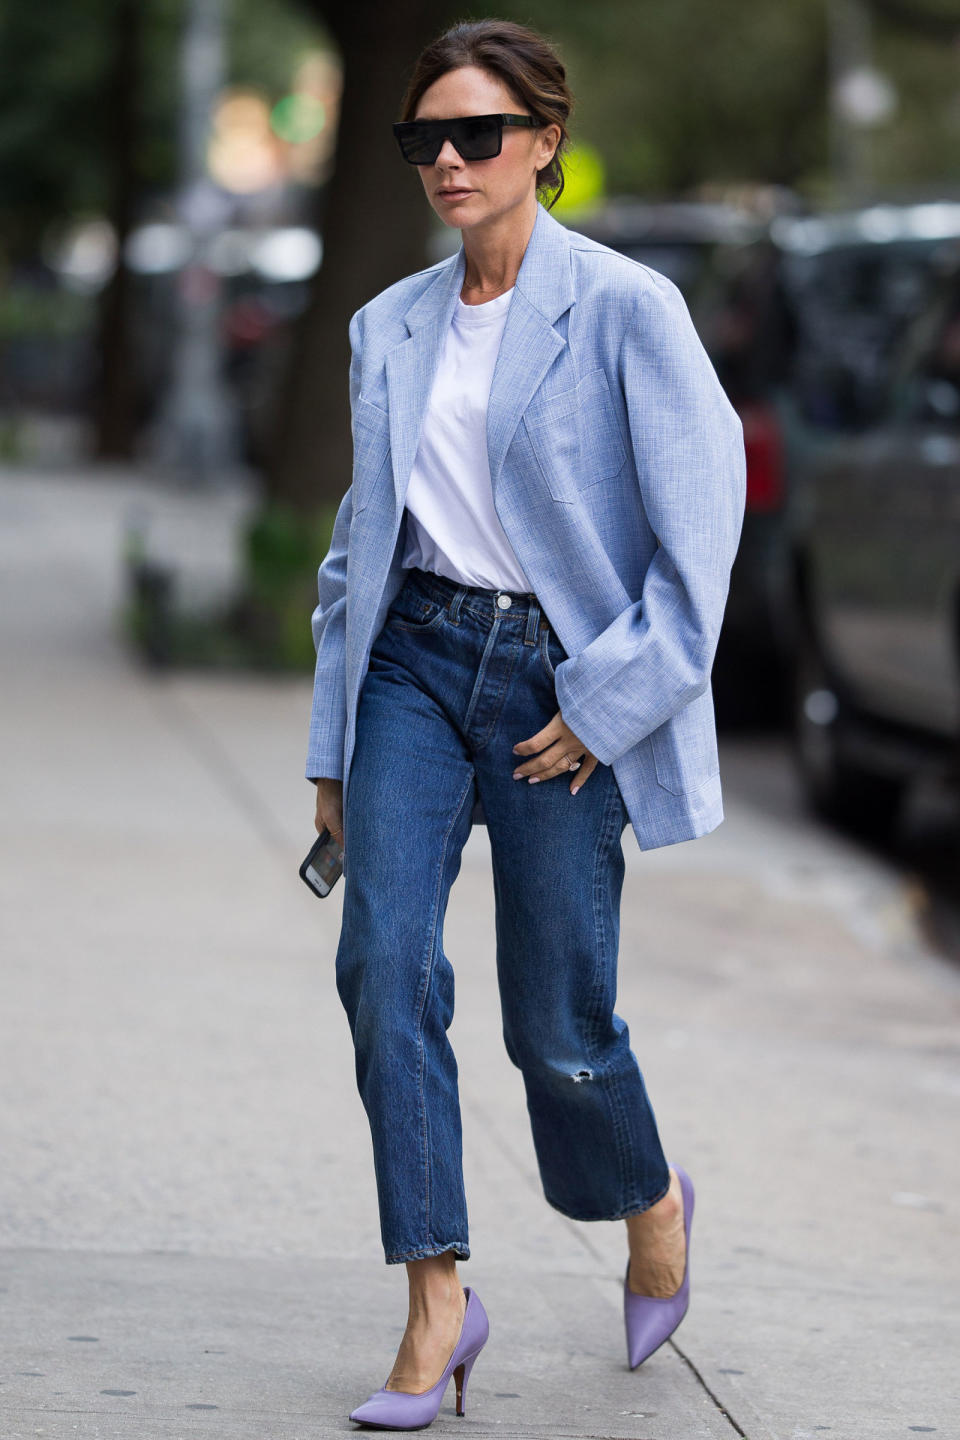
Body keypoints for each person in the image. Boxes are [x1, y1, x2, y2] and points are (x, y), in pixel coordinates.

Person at [306, 18, 746, 1431]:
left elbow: (702, 549)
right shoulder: (389, 326)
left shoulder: (628, 309)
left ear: (542, 144)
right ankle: (438, 1298)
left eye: (476, 134)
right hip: (416, 669)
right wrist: (330, 747)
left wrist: (607, 706)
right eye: (423, 138)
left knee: (558, 1025)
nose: (446, 159)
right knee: (383, 963)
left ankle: (648, 1193)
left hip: (567, 684)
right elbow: (353, 549)